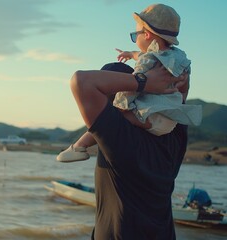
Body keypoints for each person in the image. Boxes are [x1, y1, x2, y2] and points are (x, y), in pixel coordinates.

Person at [66, 4, 193, 239]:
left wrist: (143, 82)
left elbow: (81, 81)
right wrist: (160, 83)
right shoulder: (176, 129)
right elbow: (180, 90)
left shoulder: (119, 136)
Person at [56, 3, 201, 163]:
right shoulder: (180, 61)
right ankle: (77, 146)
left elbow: (134, 83)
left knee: (115, 117)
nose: (134, 40)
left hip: (150, 118)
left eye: (134, 35)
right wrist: (132, 54)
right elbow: (157, 61)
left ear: (146, 35)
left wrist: (120, 103)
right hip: (170, 122)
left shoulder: (148, 64)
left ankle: (79, 146)